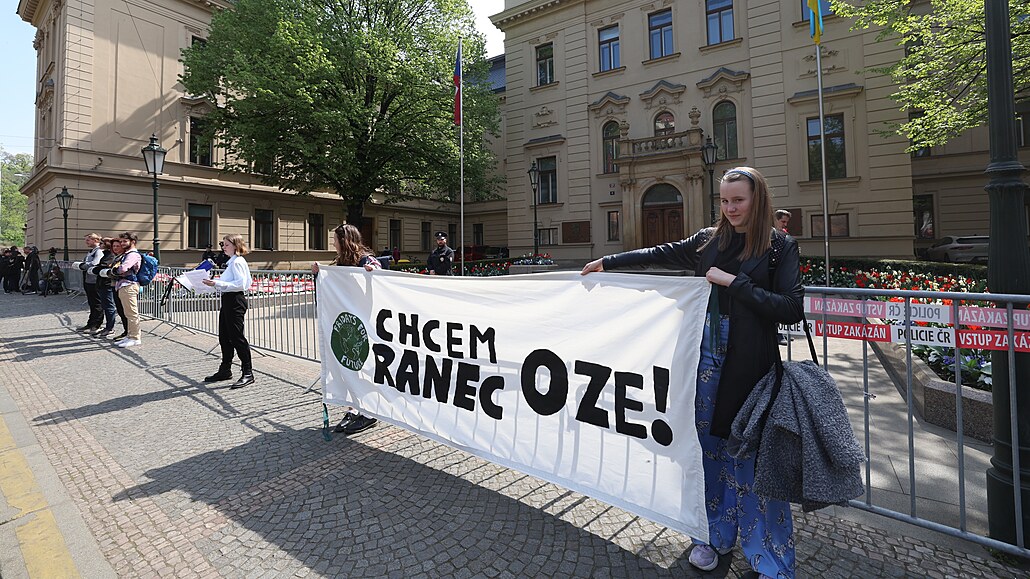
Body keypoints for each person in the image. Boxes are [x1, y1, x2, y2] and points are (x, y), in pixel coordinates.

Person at [581, 166, 804, 579]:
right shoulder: (709, 239)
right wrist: (608, 261)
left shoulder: (779, 247)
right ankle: (712, 537)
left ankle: (769, 559)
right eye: (724, 200)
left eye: (738, 200)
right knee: (708, 454)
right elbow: (659, 254)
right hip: (703, 364)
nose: (730, 208)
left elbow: (791, 307)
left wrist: (734, 283)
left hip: (751, 369)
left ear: (758, 199)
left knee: (752, 460)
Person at [312, 223, 381, 435]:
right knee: (347, 366)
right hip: (345, 325)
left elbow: (380, 272)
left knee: (362, 367)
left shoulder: (365, 259)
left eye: (335, 240)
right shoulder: (340, 262)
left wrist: (372, 272)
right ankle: (353, 408)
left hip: (362, 325)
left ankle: (369, 412)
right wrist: (319, 273)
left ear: (345, 241)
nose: (333, 244)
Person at [202, 234, 255, 389]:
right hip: (228, 300)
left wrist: (217, 283)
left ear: (235, 245)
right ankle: (225, 369)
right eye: (223, 244)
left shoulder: (238, 261)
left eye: (226, 244)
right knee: (224, 336)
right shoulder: (232, 262)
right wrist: (214, 284)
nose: (223, 247)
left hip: (235, 301)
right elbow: (231, 282)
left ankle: (248, 372)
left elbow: (240, 284)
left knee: (237, 337)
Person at [106, 233, 143, 348]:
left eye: (124, 241)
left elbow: (123, 268)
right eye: (121, 241)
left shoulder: (133, 255)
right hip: (123, 285)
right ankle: (130, 335)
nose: (122, 243)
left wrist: (113, 269)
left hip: (129, 285)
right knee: (127, 313)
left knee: (132, 313)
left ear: (133, 241)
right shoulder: (127, 254)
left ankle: (135, 337)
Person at [90, 237, 119, 337]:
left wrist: (96, 269)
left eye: (102, 242)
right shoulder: (106, 254)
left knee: (109, 306)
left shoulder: (111, 255)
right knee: (106, 305)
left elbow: (105, 267)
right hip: (102, 283)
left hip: (107, 284)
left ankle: (109, 328)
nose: (100, 244)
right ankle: (107, 327)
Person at [76, 233, 106, 332]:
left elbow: (95, 263)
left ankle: (97, 324)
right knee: (92, 302)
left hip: (94, 280)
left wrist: (82, 265)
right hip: (88, 279)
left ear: (95, 240)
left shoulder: (99, 251)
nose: (86, 242)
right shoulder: (91, 251)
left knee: (97, 303)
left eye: (88, 240)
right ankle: (91, 323)